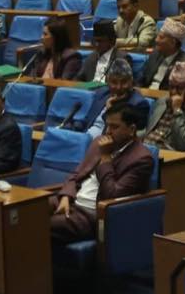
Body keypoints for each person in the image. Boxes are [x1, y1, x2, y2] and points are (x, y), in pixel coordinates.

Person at [47, 103, 153, 243]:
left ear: (131, 129)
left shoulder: (141, 159)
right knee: (26, 211)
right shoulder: (99, 142)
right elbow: (76, 174)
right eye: (107, 125)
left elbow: (112, 195)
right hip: (72, 200)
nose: (108, 131)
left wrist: (105, 159)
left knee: (39, 226)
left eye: (114, 127)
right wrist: (66, 196)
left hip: (93, 214)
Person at [19, 17, 83, 82]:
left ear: (56, 37)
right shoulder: (42, 53)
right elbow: (32, 77)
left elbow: (64, 83)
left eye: (45, 34)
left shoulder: (72, 57)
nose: (41, 37)